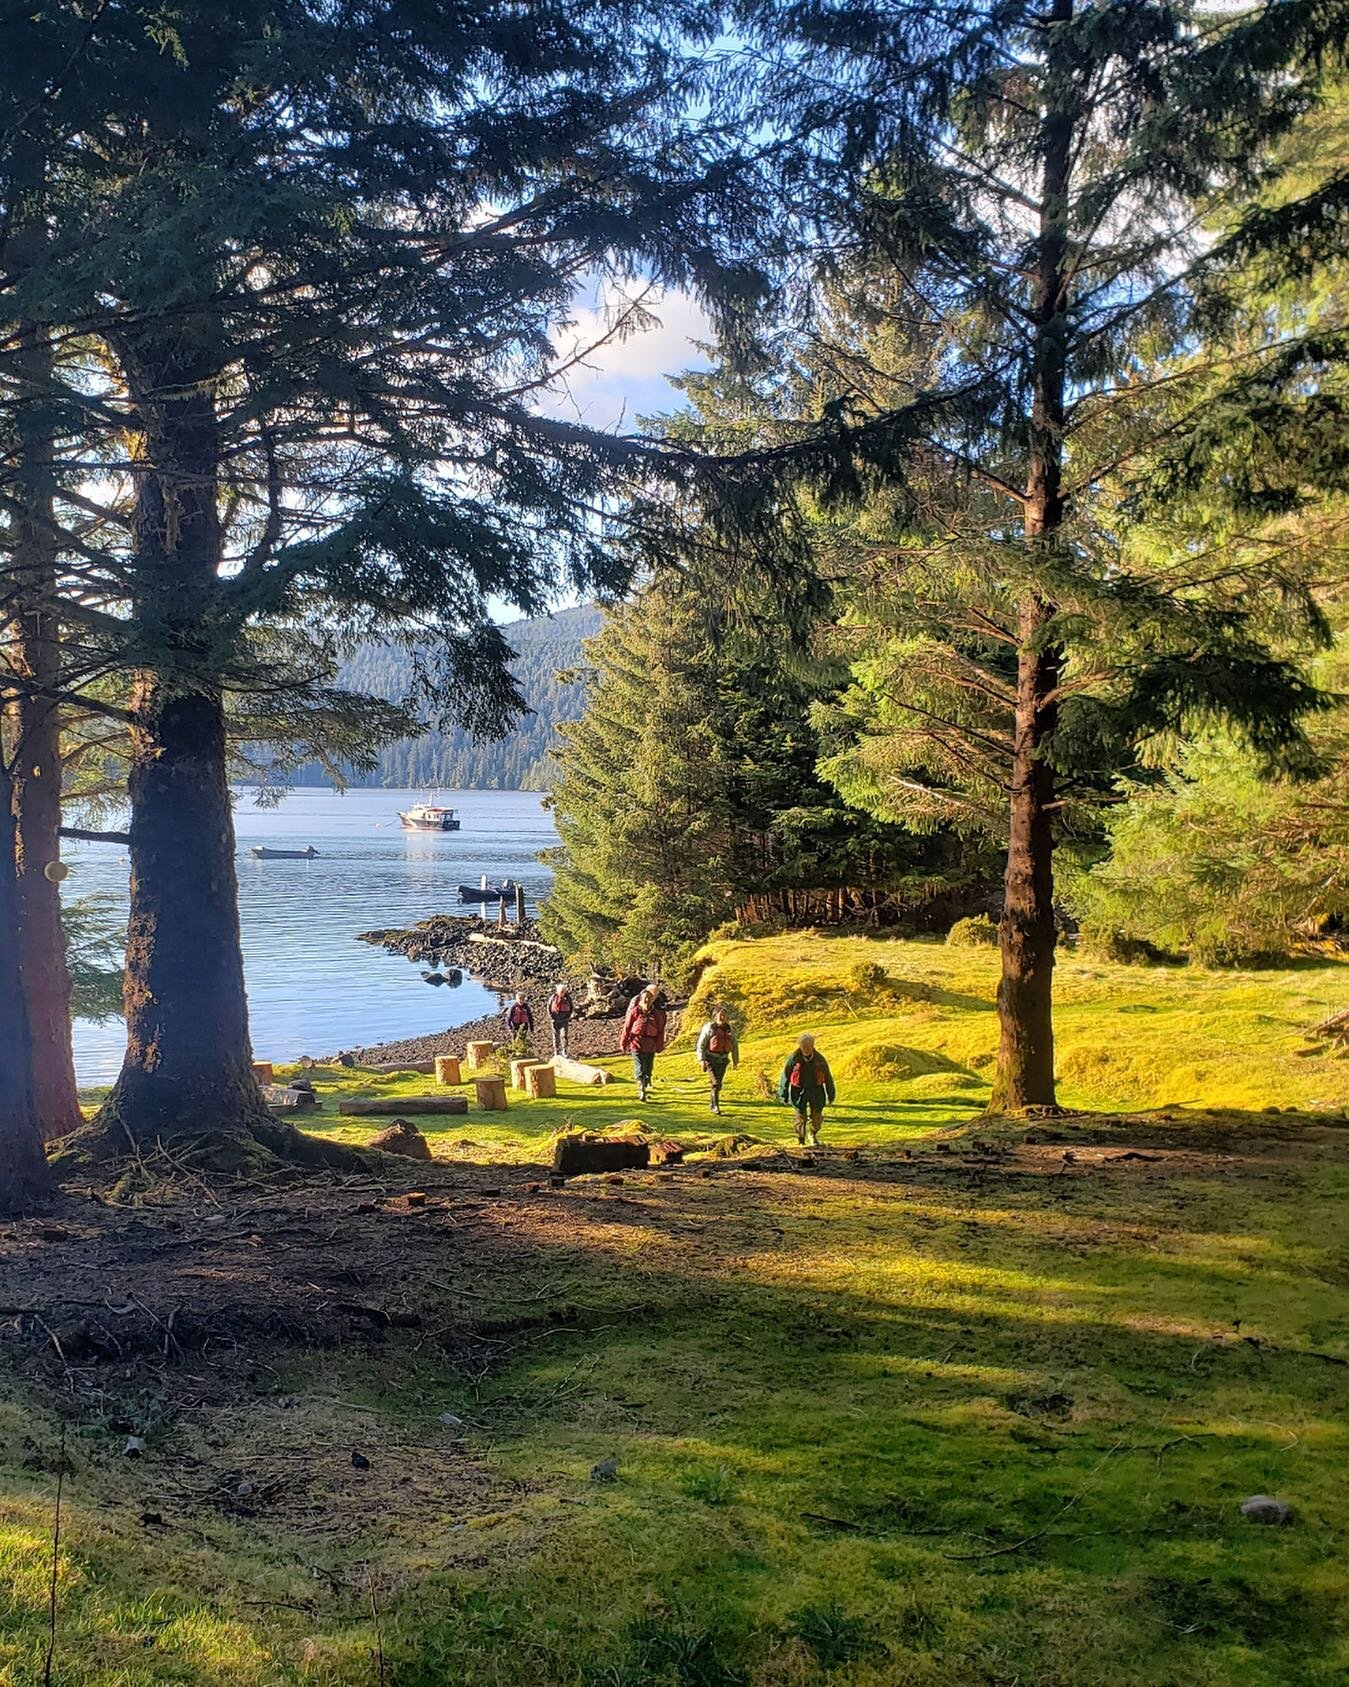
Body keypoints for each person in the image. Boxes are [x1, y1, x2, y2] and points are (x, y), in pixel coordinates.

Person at [778, 1033, 836, 1145]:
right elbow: (785, 1076)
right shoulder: (793, 1058)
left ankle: (813, 1134)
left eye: (808, 1047)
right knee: (800, 1118)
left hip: (816, 1090)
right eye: (803, 1047)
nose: (805, 1050)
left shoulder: (820, 1059)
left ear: (812, 1046)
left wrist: (831, 1094)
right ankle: (801, 1140)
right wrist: (783, 1095)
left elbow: (828, 1077)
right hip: (799, 1091)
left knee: (817, 1118)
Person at [620, 986, 667, 1101]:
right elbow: (627, 1027)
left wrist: (659, 1045)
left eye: (649, 999)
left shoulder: (656, 1014)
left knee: (648, 1067)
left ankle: (646, 1083)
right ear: (641, 999)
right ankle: (641, 1089)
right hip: (636, 1043)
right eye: (645, 999)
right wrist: (623, 1043)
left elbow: (661, 1030)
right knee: (639, 1067)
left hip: (650, 1045)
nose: (647, 1001)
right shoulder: (635, 1011)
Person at [695, 1008, 739, 1115]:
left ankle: (712, 1103)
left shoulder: (730, 1029)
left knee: (718, 1084)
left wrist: (735, 1060)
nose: (723, 1018)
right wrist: (702, 1060)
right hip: (711, 1059)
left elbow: (734, 1045)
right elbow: (701, 1045)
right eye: (720, 1015)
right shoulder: (709, 1028)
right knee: (716, 1082)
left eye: (724, 1015)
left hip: (723, 1060)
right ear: (715, 1016)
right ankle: (715, 1106)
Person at [548, 983, 575, 1057]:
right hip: (555, 1020)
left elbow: (572, 1007)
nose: (562, 994)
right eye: (560, 992)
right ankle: (556, 1051)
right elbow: (549, 1007)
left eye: (563, 992)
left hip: (564, 1020)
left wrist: (568, 1017)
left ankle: (564, 1051)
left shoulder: (568, 998)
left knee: (564, 1035)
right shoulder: (553, 997)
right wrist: (551, 1017)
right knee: (556, 1036)